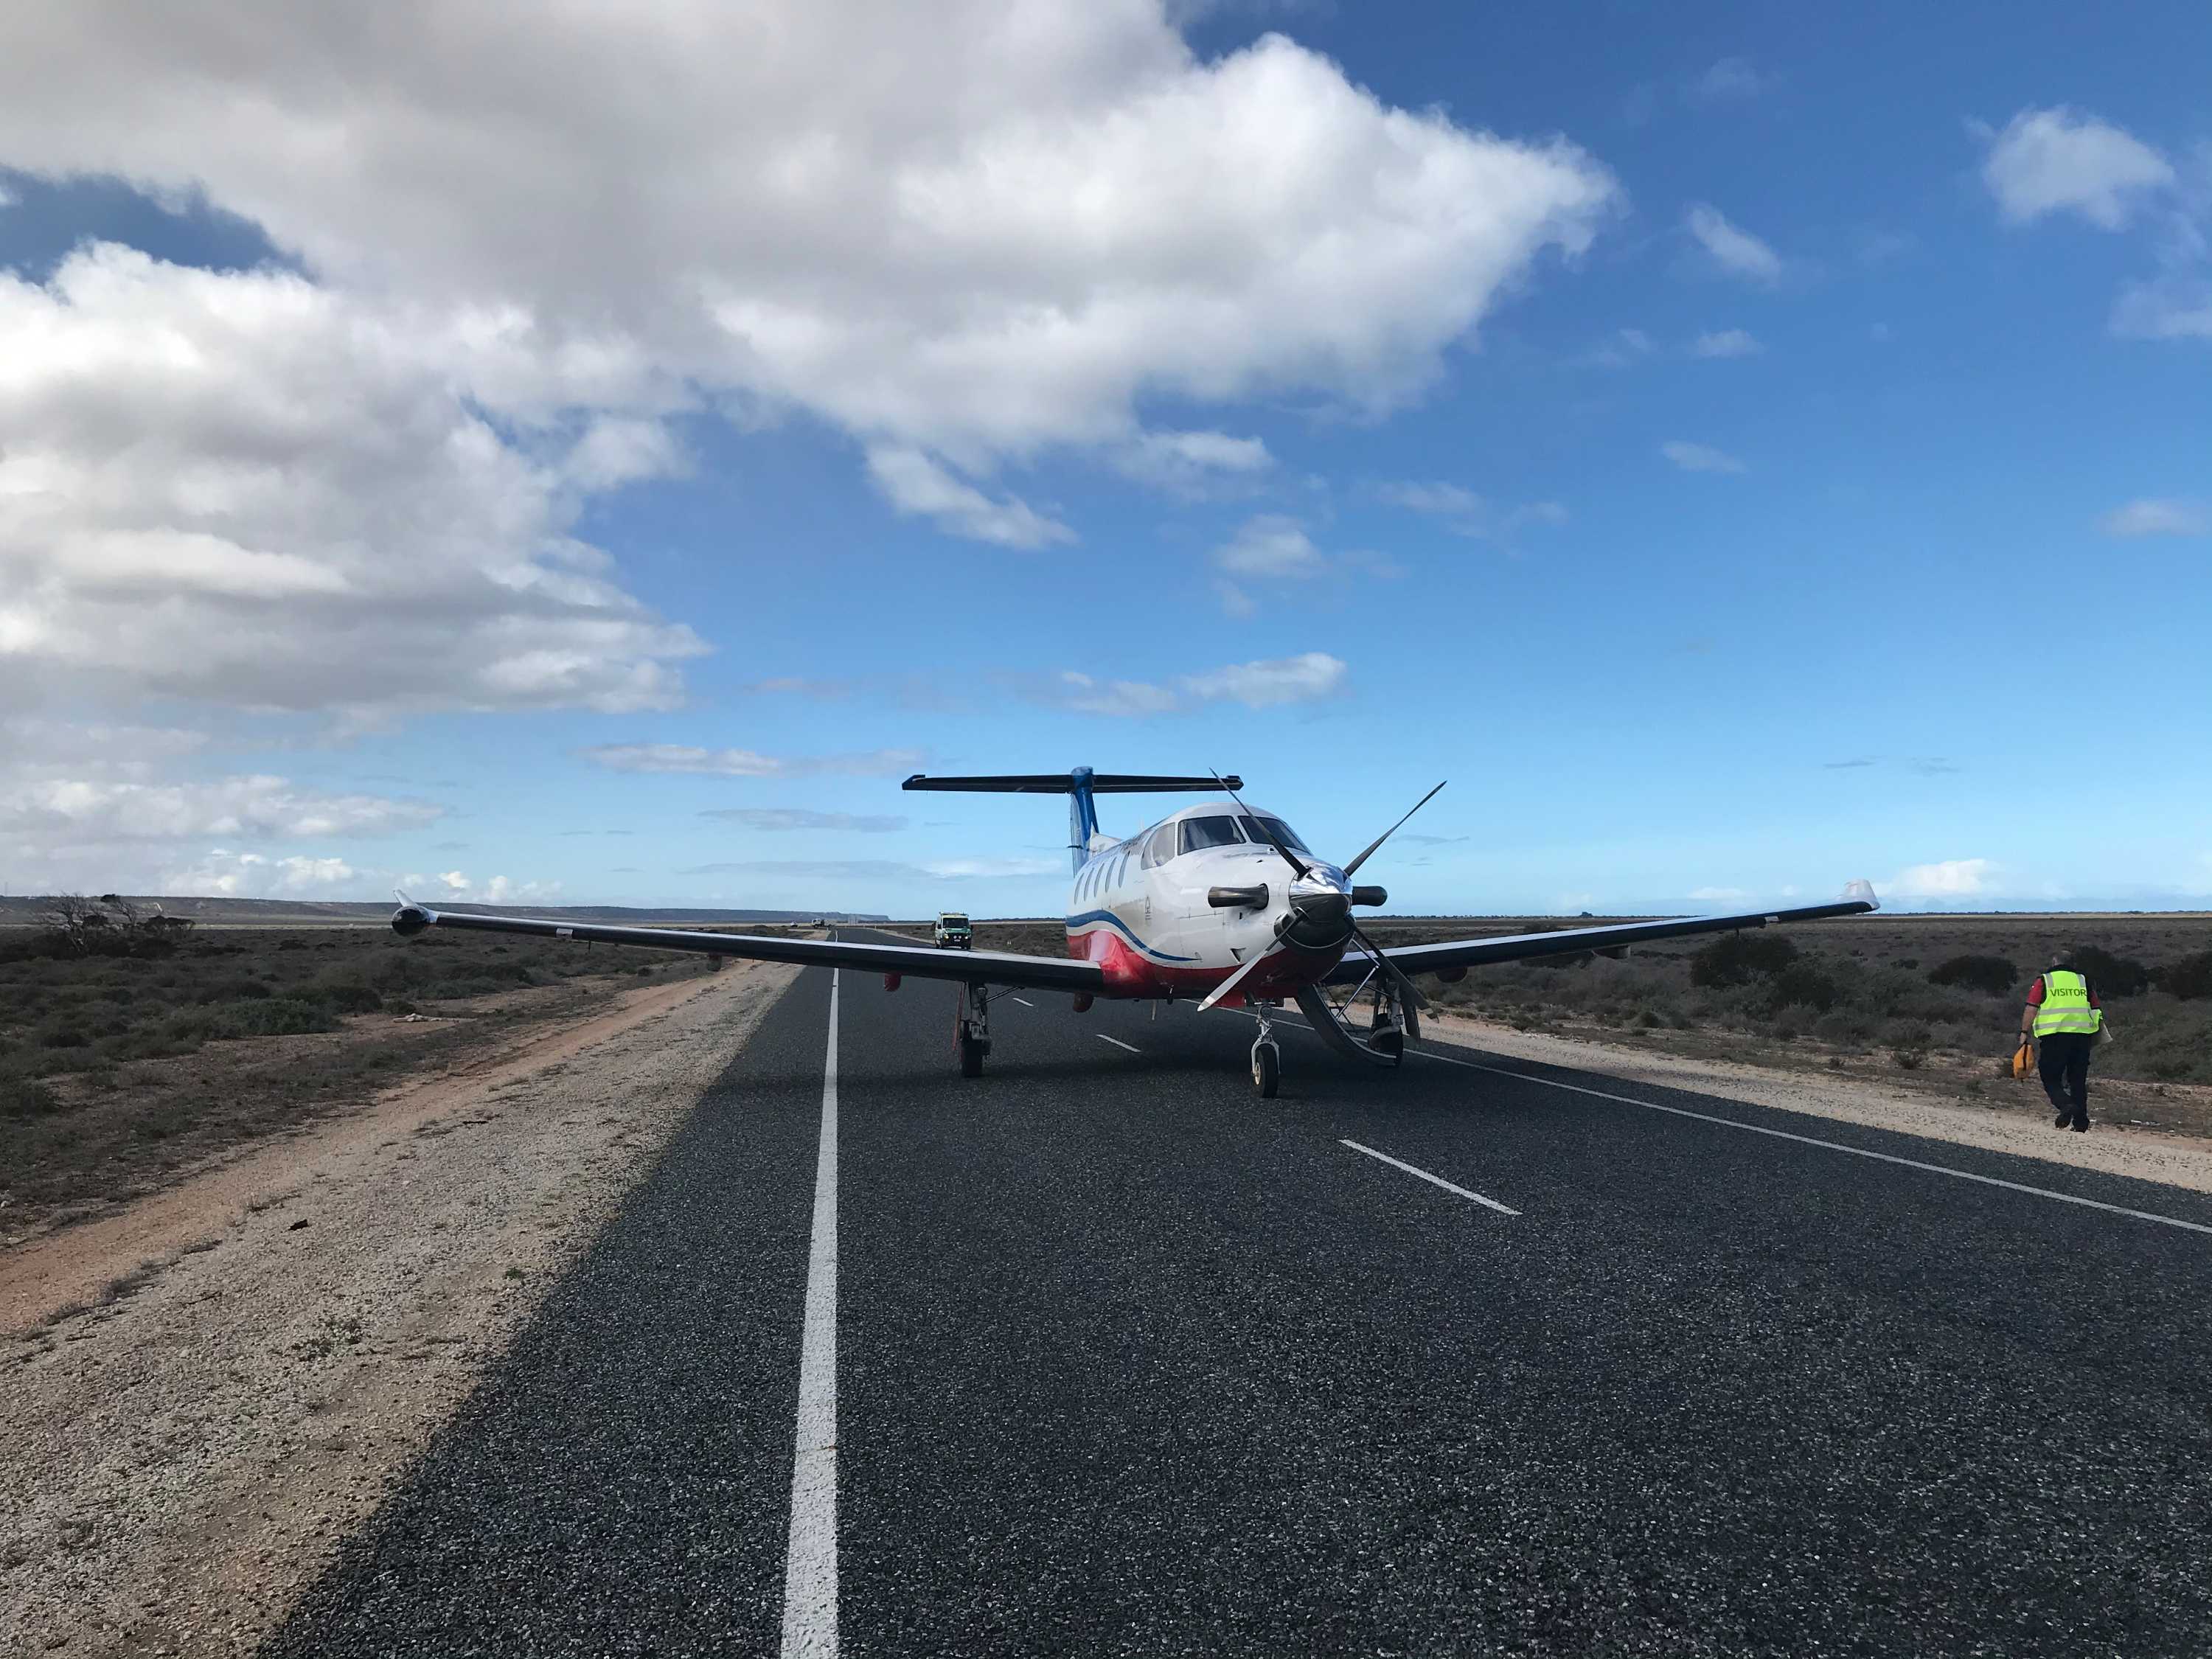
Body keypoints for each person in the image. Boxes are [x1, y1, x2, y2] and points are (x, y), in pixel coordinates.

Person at [2020, 950, 2102, 1132]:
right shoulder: (2084, 981)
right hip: (2082, 1036)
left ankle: (2066, 1105)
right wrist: (2094, 1034)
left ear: (2054, 962)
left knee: (2050, 1077)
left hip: (2055, 1036)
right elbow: (2096, 1008)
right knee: (2077, 1080)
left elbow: (2031, 1008)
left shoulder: (2044, 980)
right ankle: (2081, 1123)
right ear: (2073, 964)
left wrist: (2024, 1032)